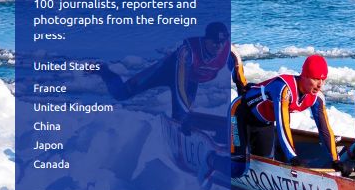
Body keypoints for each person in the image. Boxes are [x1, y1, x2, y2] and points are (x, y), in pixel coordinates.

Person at [98, 22, 247, 121]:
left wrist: (246, 103)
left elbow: (240, 78)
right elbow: (180, 83)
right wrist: (185, 114)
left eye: (222, 42)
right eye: (215, 42)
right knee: (121, 94)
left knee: (181, 116)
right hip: (165, 72)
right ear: (205, 40)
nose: (219, 47)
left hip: (191, 78)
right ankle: (103, 70)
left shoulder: (230, 51)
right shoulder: (187, 52)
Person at [230, 54, 340, 177]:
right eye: (315, 79)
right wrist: (293, 157)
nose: (320, 85)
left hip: (264, 123)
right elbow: (283, 125)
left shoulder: (317, 98)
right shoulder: (284, 89)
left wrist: (336, 160)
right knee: (238, 168)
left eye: (323, 79)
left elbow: (325, 129)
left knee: (266, 167)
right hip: (240, 113)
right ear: (304, 75)